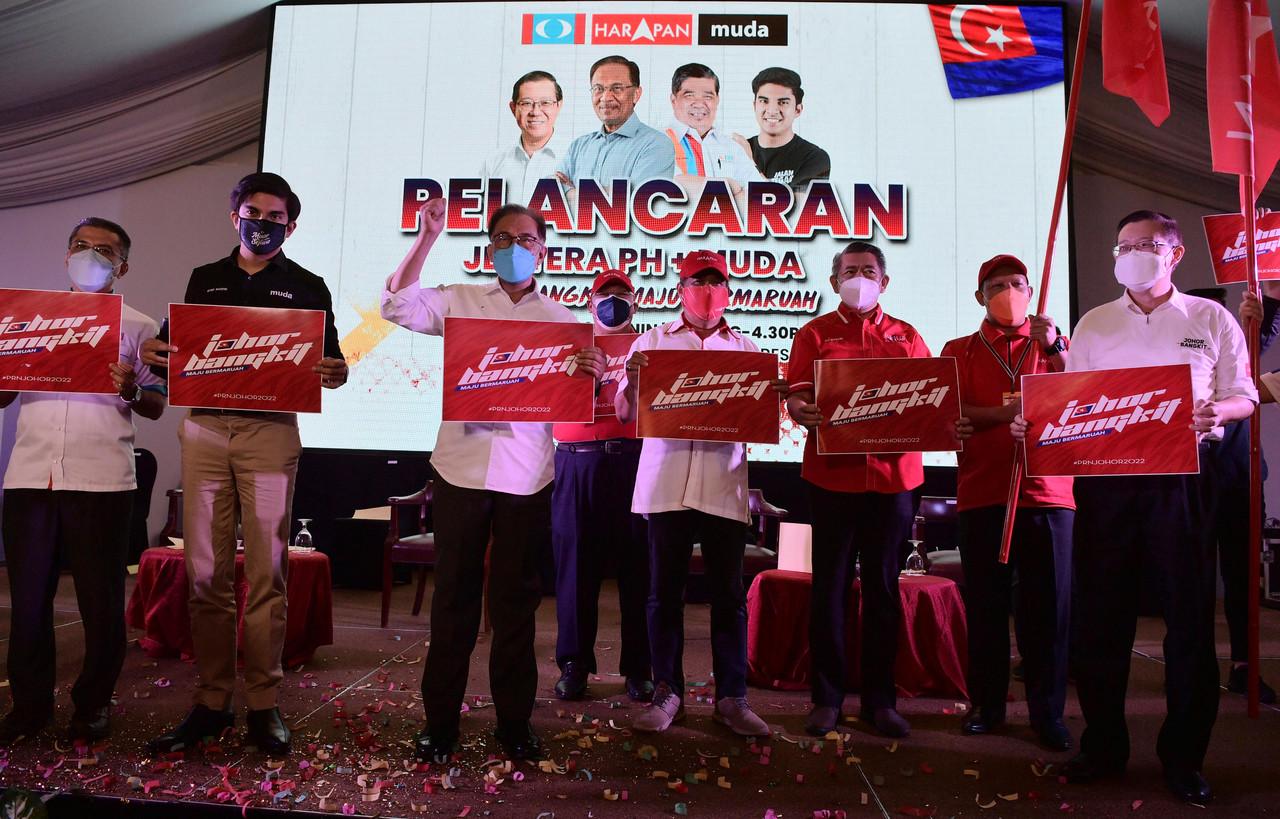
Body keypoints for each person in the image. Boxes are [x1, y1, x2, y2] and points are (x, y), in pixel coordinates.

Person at [1013, 211, 1257, 805]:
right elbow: (1072, 406)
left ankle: (1184, 758)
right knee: (1101, 622)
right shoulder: (1094, 324)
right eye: (1123, 245)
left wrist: (1215, 414)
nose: (1132, 253)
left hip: (1183, 484)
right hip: (1107, 487)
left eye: (1146, 244)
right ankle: (1103, 746)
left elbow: (1244, 396)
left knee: (1190, 626)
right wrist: (1035, 422)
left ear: (1174, 255)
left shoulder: (1211, 318)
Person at [381, 197, 604, 761]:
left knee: (515, 607)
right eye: (502, 240)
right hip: (459, 470)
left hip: (527, 476)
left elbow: (577, 403)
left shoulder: (561, 323)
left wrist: (592, 376)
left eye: (525, 241)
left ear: (543, 251)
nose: (513, 249)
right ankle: (440, 724)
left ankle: (513, 723)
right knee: (453, 602)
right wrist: (428, 236)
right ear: (490, 248)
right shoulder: (460, 301)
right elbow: (395, 305)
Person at [142, 172, 349, 757]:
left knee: (268, 573)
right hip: (205, 429)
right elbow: (171, 349)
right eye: (254, 212)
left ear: (291, 225)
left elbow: (328, 360)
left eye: (276, 217)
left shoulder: (308, 285)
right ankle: (212, 701)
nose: (264, 223)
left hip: (270, 434)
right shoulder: (204, 280)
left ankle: (263, 703)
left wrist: (338, 370)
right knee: (205, 574)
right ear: (235, 215)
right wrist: (157, 354)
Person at [0, 218, 166, 745]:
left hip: (103, 479)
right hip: (31, 475)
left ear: (123, 266)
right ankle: (29, 707)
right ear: (66, 253)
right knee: (27, 602)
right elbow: (4, 397)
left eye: (105, 250)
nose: (91, 255)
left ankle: (92, 705)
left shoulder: (140, 328)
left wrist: (130, 390)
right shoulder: (26, 320)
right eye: (82, 246)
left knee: (100, 603)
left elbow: (158, 405)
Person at [615, 250, 784, 737]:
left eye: (715, 281)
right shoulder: (650, 343)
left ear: (728, 289)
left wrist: (767, 399)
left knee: (729, 598)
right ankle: (668, 692)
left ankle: (732, 697)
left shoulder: (748, 350)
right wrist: (631, 380)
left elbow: (759, 421)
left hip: (722, 482)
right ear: (680, 287)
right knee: (663, 595)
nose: (707, 291)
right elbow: (626, 413)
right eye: (697, 281)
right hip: (666, 482)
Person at [785, 241, 938, 739]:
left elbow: (929, 396)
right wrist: (799, 411)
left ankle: (880, 700)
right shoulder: (814, 335)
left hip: (894, 480)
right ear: (833, 283)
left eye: (868, 271)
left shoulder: (907, 336)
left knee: (883, 589)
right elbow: (797, 395)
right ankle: (826, 699)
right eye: (849, 271)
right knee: (828, 589)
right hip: (832, 478)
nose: (859, 278)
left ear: (884, 282)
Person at [940, 254, 1074, 751]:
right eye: (997, 285)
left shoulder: (1054, 345)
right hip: (982, 491)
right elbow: (951, 409)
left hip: (1050, 493)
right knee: (986, 607)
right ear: (980, 296)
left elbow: (1076, 393)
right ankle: (987, 705)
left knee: (1049, 609)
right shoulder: (959, 350)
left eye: (1018, 283)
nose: (1009, 291)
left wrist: (1056, 345)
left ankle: (1048, 712)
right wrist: (1011, 412)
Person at [550, 270, 652, 703]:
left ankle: (639, 668)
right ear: (590, 303)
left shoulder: (652, 346)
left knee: (640, 569)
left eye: (622, 294)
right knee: (575, 569)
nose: (613, 301)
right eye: (604, 295)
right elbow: (544, 402)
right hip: (577, 463)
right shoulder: (566, 346)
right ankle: (574, 664)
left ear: (637, 300)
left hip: (637, 462)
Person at [556, 55, 674, 191]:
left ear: (636, 94)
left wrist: (570, 192)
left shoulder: (657, 145)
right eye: (598, 89)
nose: (605, 97)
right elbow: (551, 193)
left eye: (617, 88)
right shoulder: (578, 146)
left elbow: (640, 201)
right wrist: (612, 193)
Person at [664, 63, 762, 201]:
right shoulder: (658, 142)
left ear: (717, 100)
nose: (699, 103)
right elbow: (668, 186)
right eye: (689, 95)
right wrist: (730, 186)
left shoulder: (731, 146)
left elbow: (759, 195)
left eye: (708, 96)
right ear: (673, 100)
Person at [736, 67, 830, 191]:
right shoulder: (737, 150)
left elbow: (793, 207)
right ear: (755, 106)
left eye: (783, 102)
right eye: (764, 101)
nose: (772, 111)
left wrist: (749, 163)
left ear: (798, 110)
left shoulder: (815, 158)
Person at [480, 70, 565, 206]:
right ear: (513, 108)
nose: (535, 112)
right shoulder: (494, 162)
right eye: (526, 103)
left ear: (558, 106)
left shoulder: (575, 160)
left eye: (545, 103)